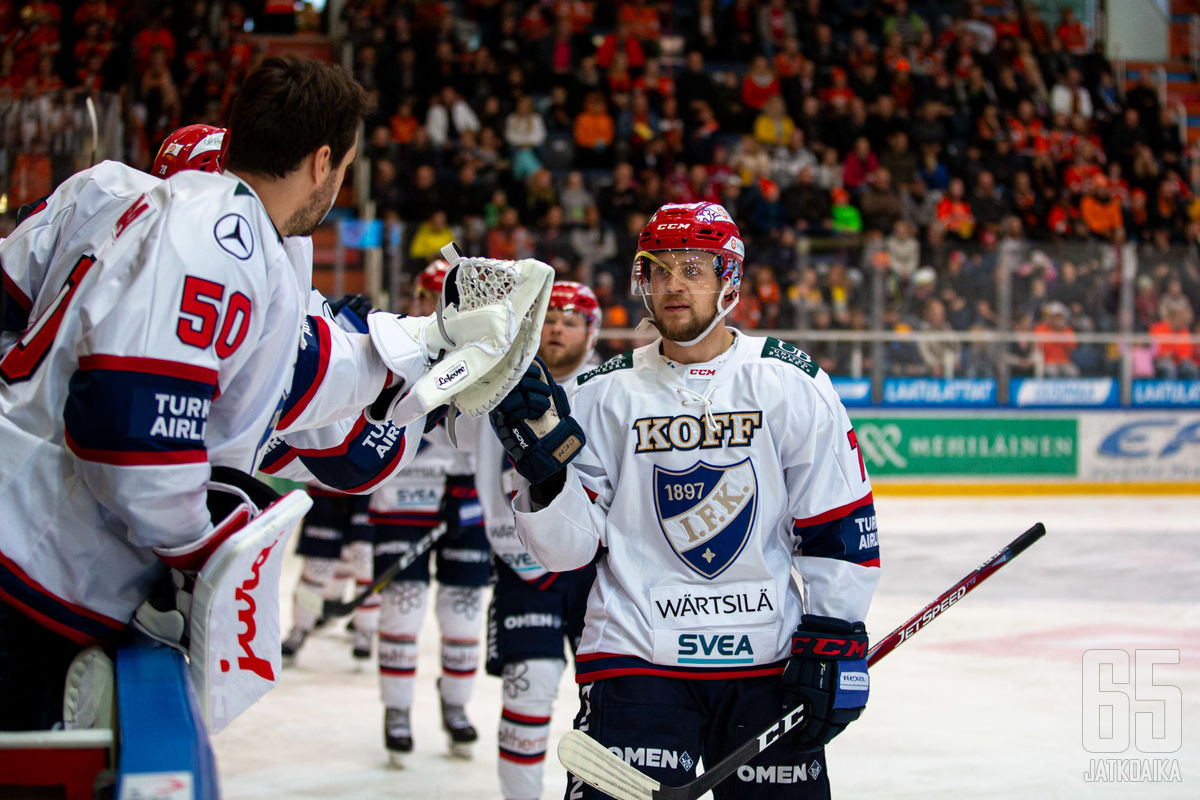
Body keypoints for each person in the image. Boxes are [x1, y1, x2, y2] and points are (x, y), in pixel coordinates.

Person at [0, 57, 484, 731]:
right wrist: (199, 548)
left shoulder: (115, 191)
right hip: (37, 575)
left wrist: (424, 353)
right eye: (344, 166)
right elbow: (131, 426)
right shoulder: (225, 239)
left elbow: (305, 385)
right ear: (322, 161)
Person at [490, 201, 881, 798]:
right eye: (660, 270)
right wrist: (545, 481)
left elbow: (839, 516)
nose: (674, 286)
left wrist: (834, 634)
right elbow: (568, 553)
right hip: (633, 656)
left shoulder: (789, 381)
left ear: (729, 280)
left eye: (693, 269)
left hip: (766, 659)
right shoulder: (601, 393)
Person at [476, 281, 601, 800]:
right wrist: (513, 546)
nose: (557, 328)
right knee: (527, 691)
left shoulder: (608, 389)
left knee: (608, 709)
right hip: (523, 568)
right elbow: (485, 474)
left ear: (591, 333)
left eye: (571, 321)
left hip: (594, 575)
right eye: (550, 319)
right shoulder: (500, 381)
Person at [371, 260, 491, 766]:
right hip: (402, 494)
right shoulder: (391, 341)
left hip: (466, 499)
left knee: (463, 608)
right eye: (432, 295)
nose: (441, 307)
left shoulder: (487, 350)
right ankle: (397, 710)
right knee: (402, 602)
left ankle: (457, 704)